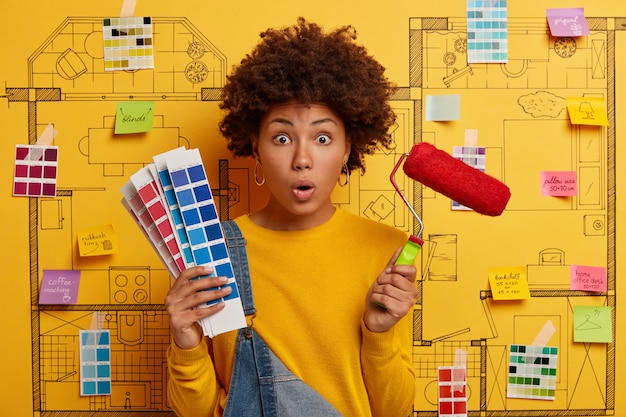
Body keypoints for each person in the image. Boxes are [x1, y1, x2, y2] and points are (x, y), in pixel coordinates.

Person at [165, 18, 417, 417]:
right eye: (282, 138)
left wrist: (379, 335)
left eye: (322, 138)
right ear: (257, 148)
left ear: (348, 148)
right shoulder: (210, 250)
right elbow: (193, 412)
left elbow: (394, 410)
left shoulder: (387, 250)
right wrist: (185, 340)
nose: (302, 159)